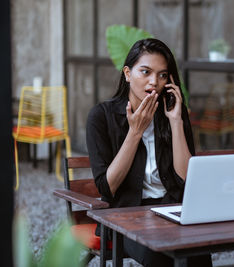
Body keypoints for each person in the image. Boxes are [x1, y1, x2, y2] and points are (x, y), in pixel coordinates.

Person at [86, 38, 212, 267]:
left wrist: (175, 122)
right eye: (145, 72)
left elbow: (187, 179)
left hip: (171, 210)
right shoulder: (101, 116)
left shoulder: (173, 112)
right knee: (160, 253)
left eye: (163, 75)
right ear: (127, 73)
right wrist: (135, 132)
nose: (154, 81)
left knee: (198, 250)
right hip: (125, 217)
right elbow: (107, 186)